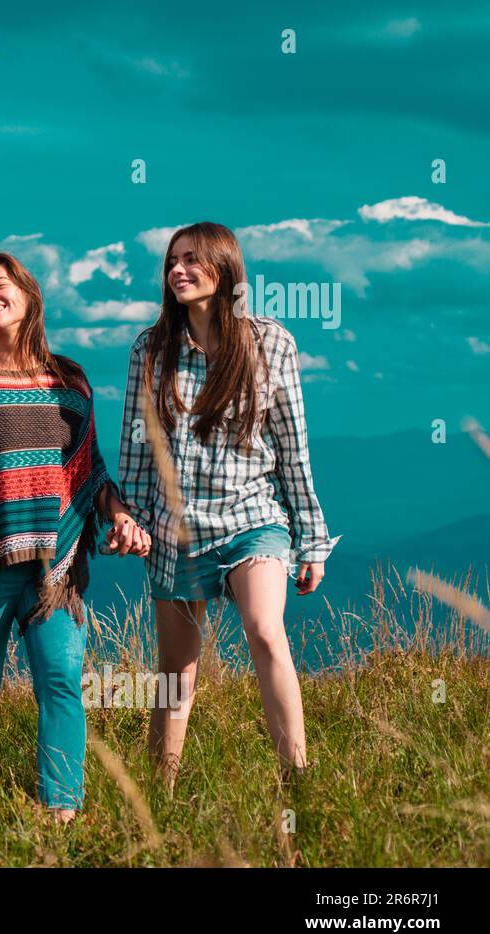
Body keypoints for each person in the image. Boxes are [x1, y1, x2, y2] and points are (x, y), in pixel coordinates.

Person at [0, 252, 149, 822]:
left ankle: (62, 813)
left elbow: (88, 471)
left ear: (28, 294)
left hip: (55, 570)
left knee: (63, 682)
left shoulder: (68, 380)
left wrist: (118, 515)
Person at [117, 222, 338, 787]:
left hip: (252, 518)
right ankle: (158, 796)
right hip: (176, 530)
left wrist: (311, 541)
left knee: (266, 631)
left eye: (192, 260)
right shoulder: (150, 348)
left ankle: (298, 780)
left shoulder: (271, 342)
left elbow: (293, 448)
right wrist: (133, 523)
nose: (178, 271)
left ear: (224, 266)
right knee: (176, 673)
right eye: (171, 262)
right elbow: (137, 449)